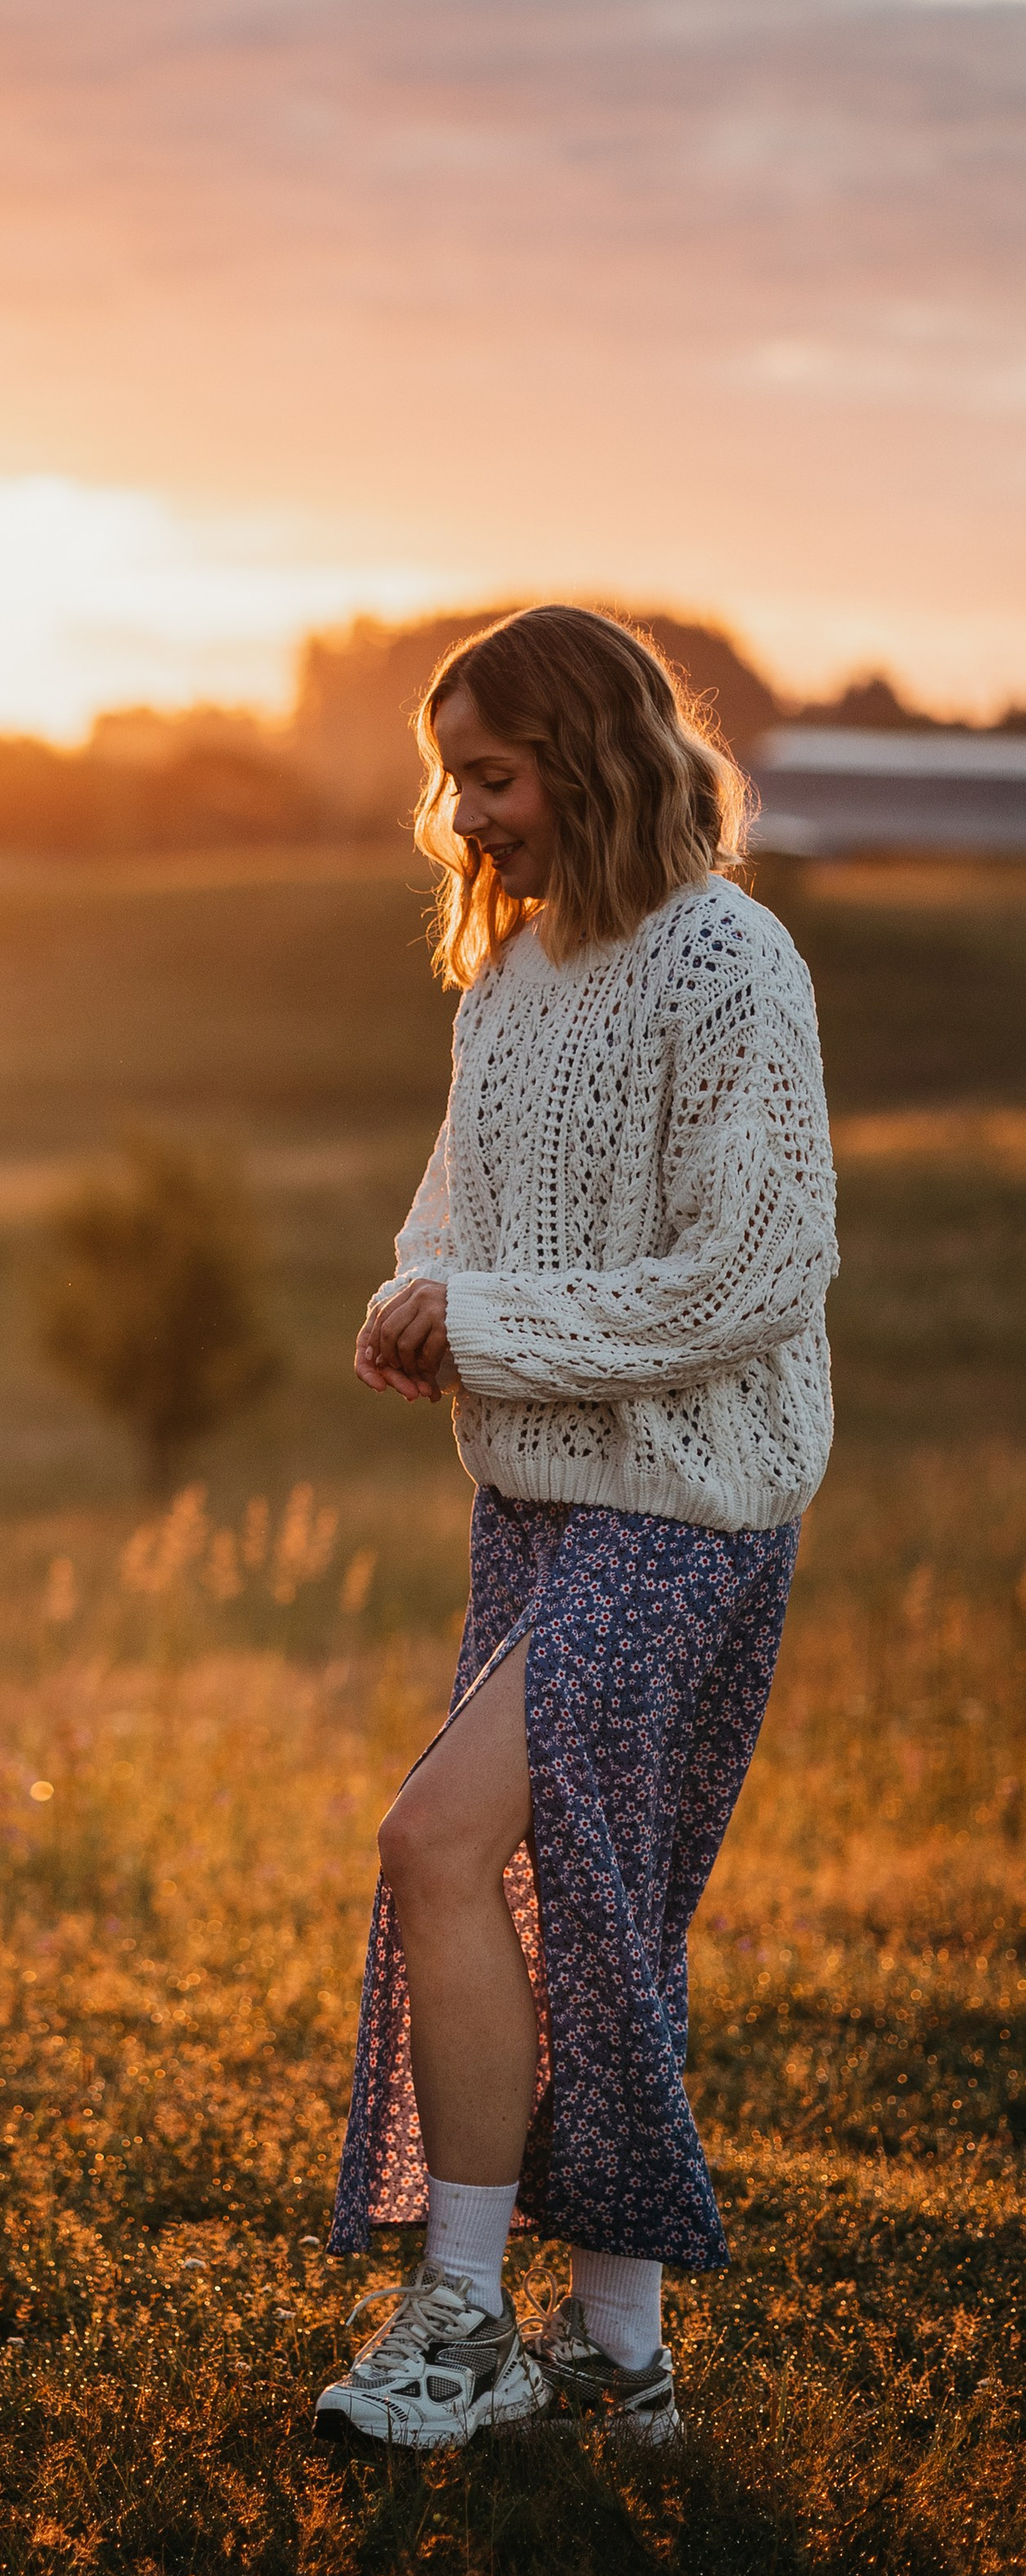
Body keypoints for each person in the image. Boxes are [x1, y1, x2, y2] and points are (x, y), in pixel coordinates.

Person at [314, 605, 837, 2451]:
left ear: (592, 755)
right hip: (537, 1503)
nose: (465, 816)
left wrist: (491, 1325)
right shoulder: (512, 979)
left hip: (687, 1508)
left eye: (493, 773)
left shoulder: (726, 965)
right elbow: (452, 1210)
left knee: (435, 1842)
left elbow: (758, 1273)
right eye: (448, 778)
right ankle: (620, 2360)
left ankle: (459, 2313)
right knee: (585, 1906)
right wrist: (419, 1294)